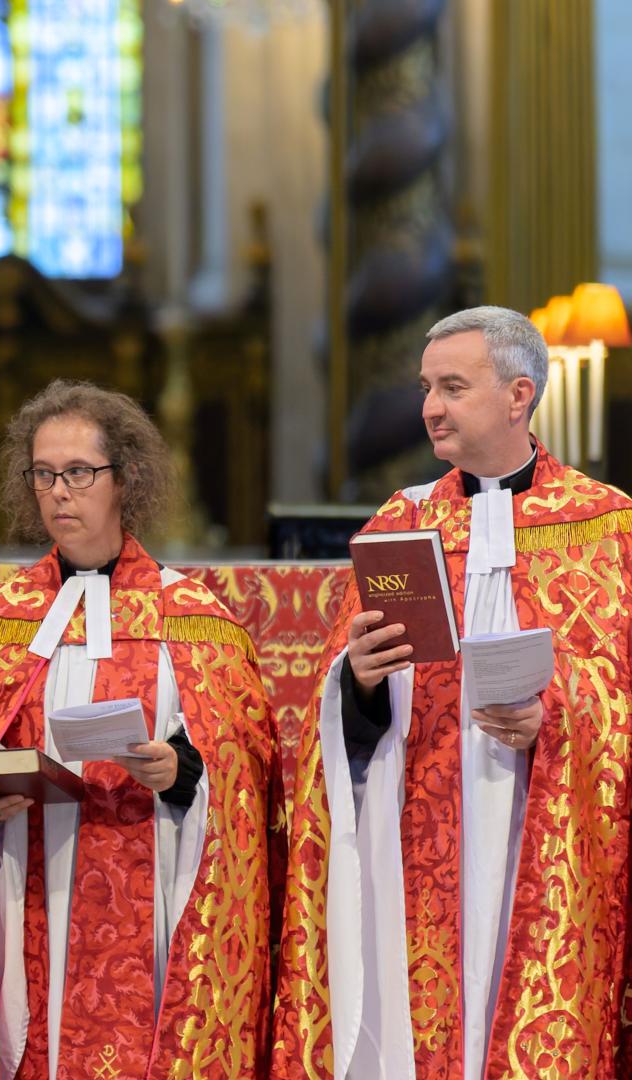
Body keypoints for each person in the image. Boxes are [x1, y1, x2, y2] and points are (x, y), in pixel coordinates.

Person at [273, 307, 632, 1078]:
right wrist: (359, 683)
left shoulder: (608, 530)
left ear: (518, 395)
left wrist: (557, 712)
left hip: (552, 846)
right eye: (426, 387)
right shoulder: (402, 525)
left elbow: (620, 693)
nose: (430, 405)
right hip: (419, 843)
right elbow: (334, 719)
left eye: (453, 386)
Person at [0, 381, 274, 1078]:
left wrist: (181, 772)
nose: (58, 492)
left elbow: (245, 775)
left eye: (79, 473)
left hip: (158, 897)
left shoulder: (196, 620)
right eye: (43, 474)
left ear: (126, 478)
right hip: (31, 891)